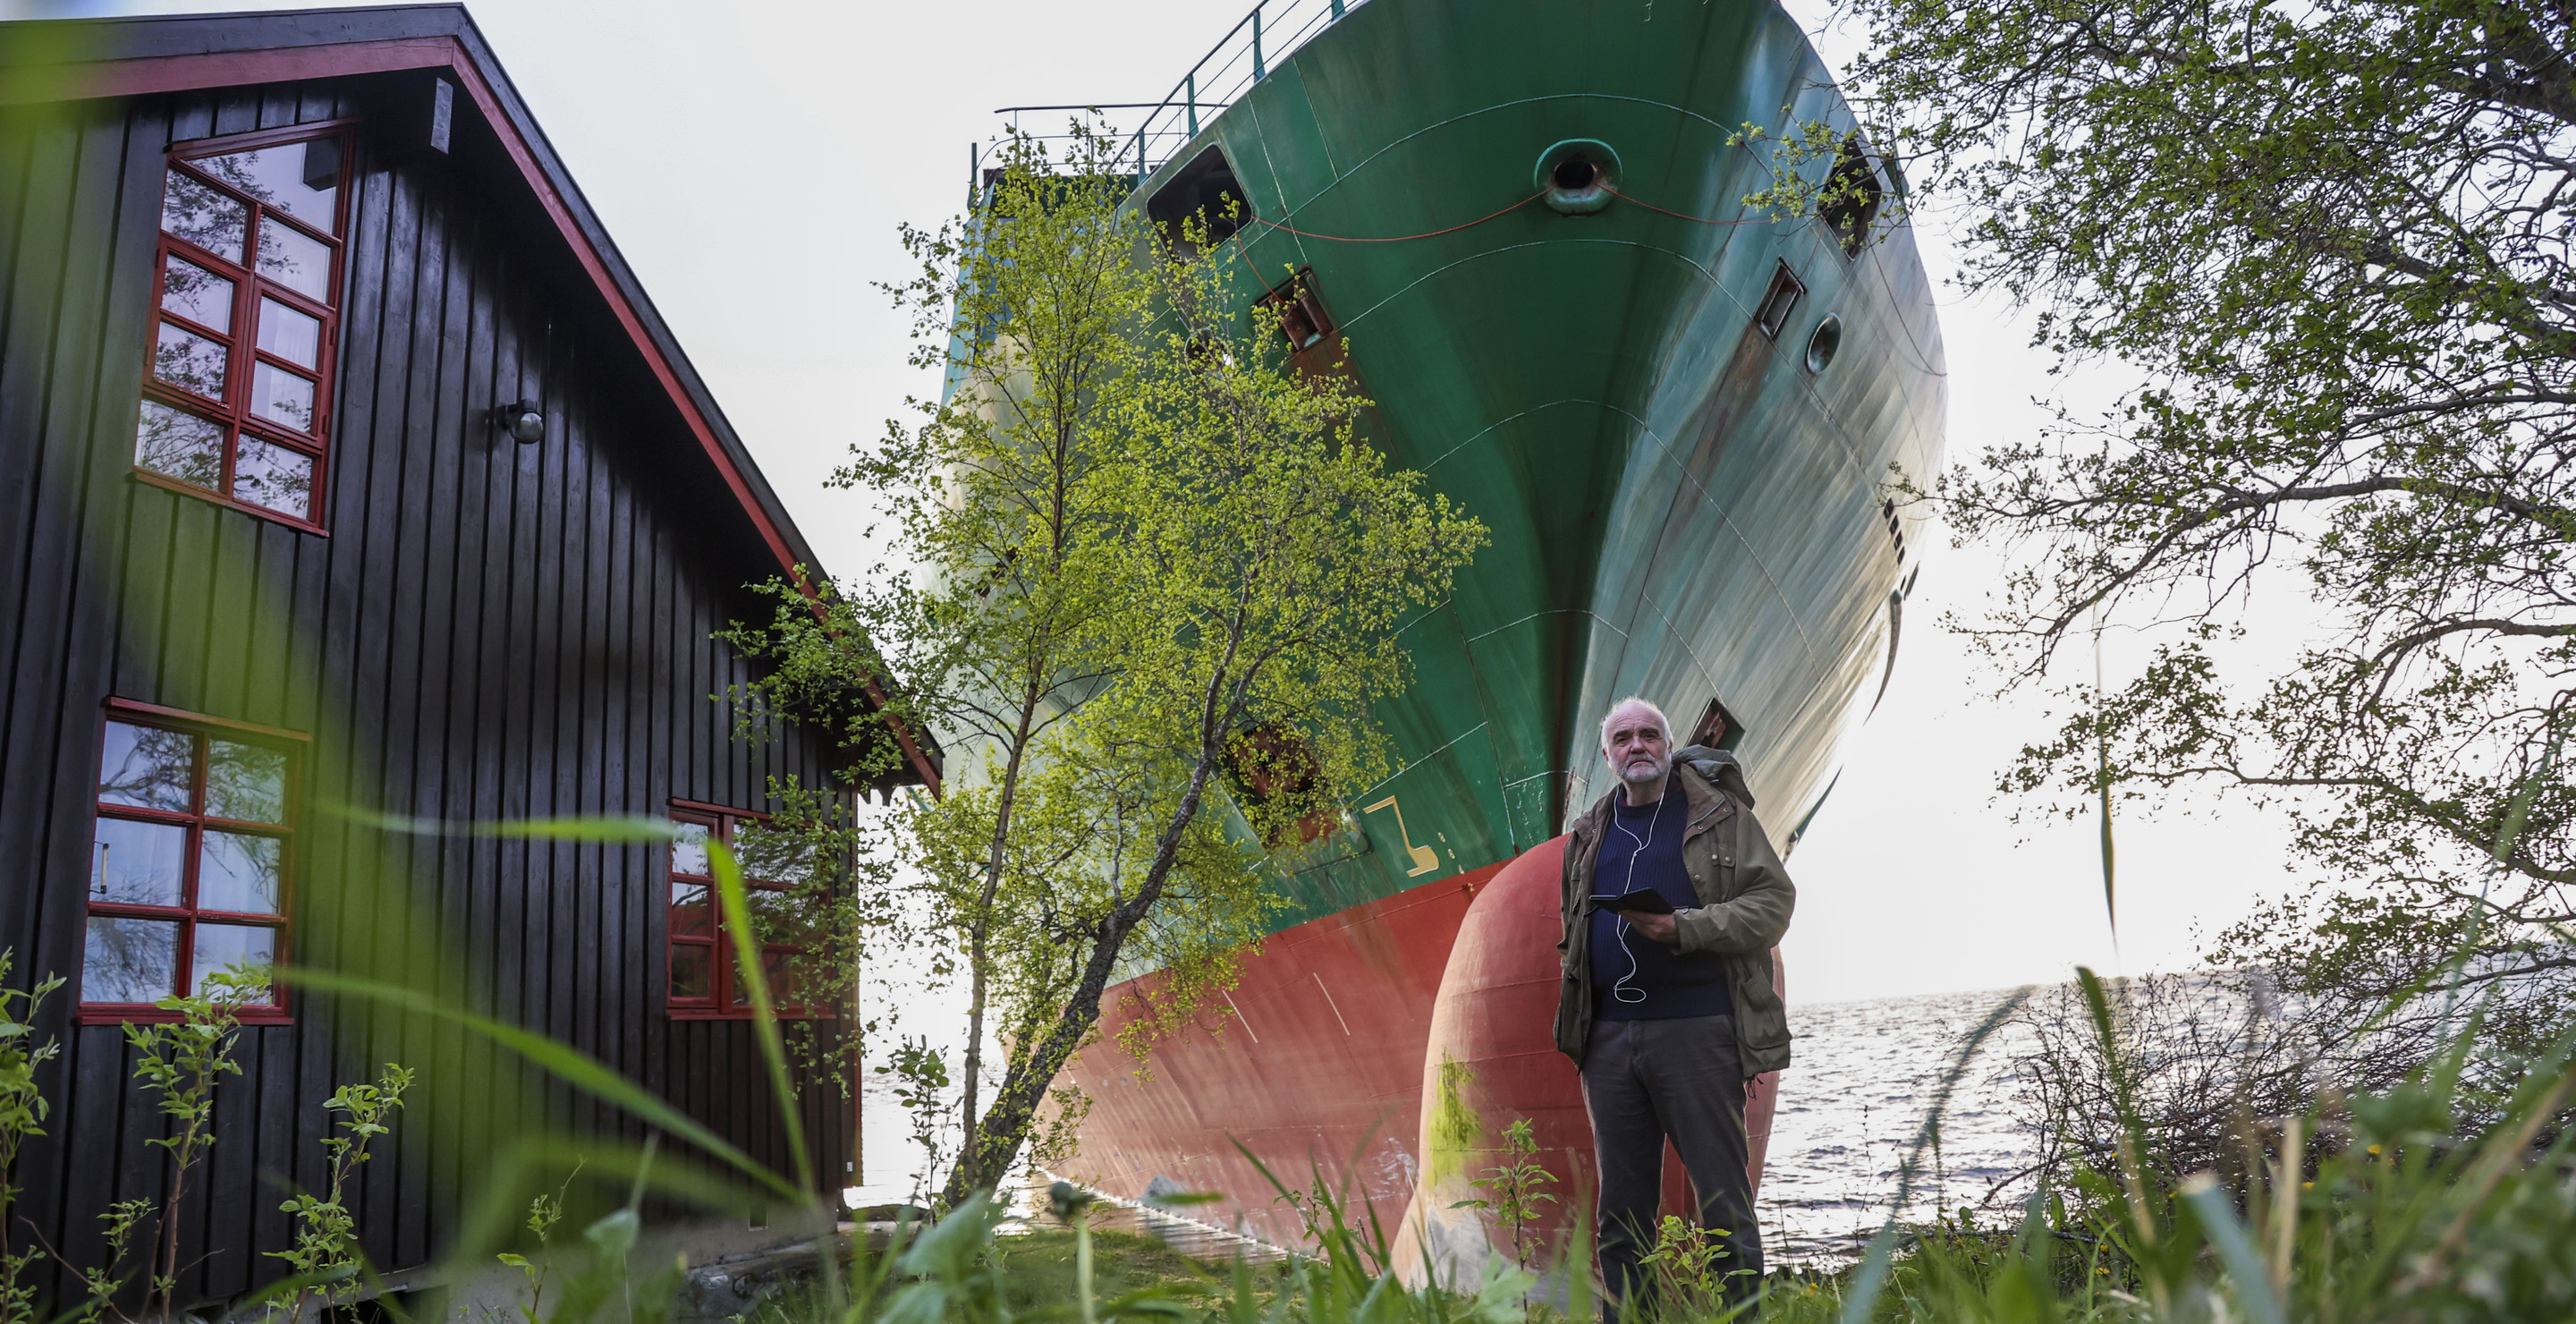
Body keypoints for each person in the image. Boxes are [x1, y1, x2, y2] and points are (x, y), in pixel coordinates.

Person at [1554, 696, 1795, 1317]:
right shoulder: (1586, 833)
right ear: (1607, 756)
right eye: (1624, 739)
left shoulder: (1720, 815)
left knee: (1723, 1202)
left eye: (1650, 736)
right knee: (1621, 1215)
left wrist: (1685, 928)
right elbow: (1570, 931)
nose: (1638, 746)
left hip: (1697, 1034)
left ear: (1669, 746)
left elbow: (1773, 903)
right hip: (1609, 1041)